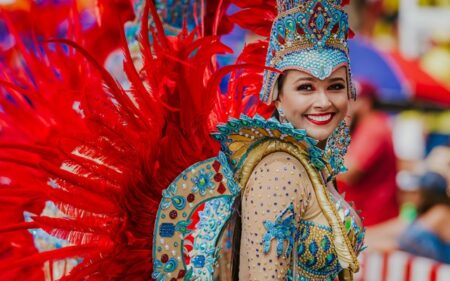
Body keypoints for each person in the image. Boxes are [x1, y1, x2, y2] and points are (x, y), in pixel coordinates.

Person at [0, 0, 364, 280]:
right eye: (305, 87)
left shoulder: (308, 163)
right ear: (276, 94)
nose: (323, 101)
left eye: (335, 86)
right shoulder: (281, 170)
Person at [338, 80, 399, 226]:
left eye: (353, 99)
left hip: (372, 220)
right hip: (362, 216)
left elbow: (350, 172)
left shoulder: (373, 127)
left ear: (366, 102)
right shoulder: (366, 126)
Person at [398, 171, 450, 264]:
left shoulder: (440, 212)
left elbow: (407, 239)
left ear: (426, 195)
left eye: (415, 193)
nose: (410, 196)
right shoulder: (424, 214)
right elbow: (399, 226)